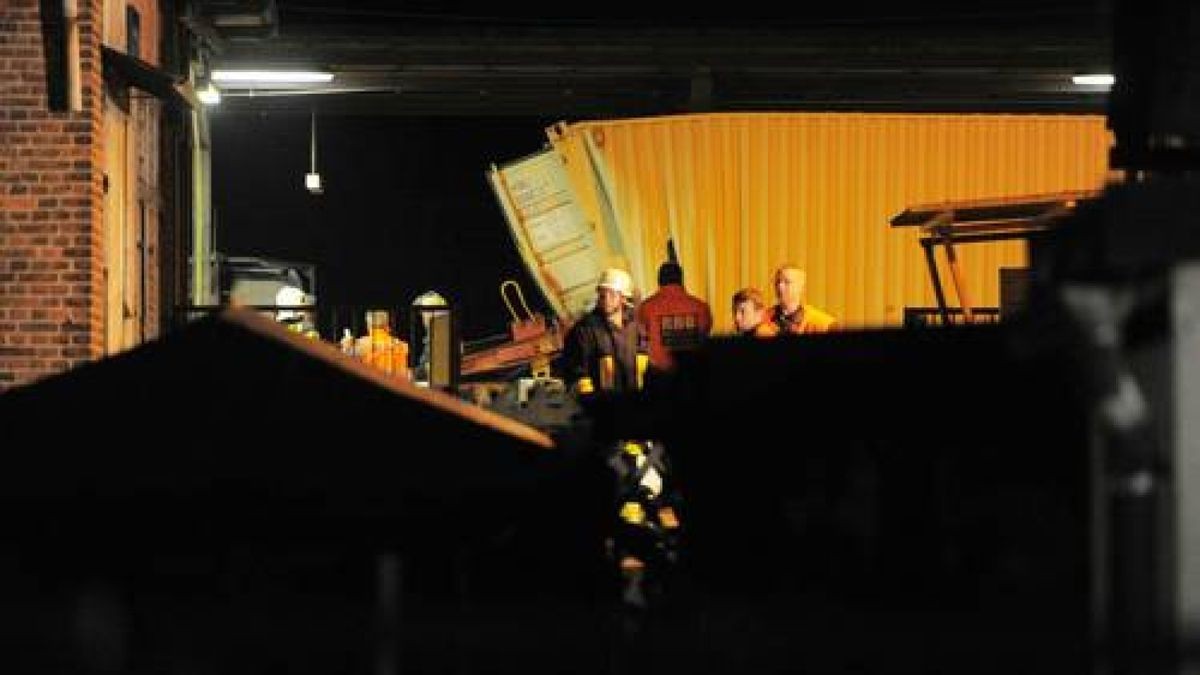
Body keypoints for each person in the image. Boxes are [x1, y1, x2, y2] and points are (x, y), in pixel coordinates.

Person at [561, 267, 649, 394]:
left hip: (636, 402)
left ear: (623, 298)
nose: (606, 299)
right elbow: (575, 370)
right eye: (602, 294)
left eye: (612, 294)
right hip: (603, 405)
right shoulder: (584, 330)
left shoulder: (636, 327)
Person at [637, 260, 713, 371]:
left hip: (660, 377)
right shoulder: (701, 307)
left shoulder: (646, 308)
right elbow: (705, 336)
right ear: (681, 280)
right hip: (693, 376)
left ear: (659, 281)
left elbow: (641, 340)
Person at [767, 264, 838, 334]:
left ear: (800, 287)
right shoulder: (763, 319)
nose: (780, 287)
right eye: (778, 282)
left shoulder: (822, 324)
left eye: (787, 282)